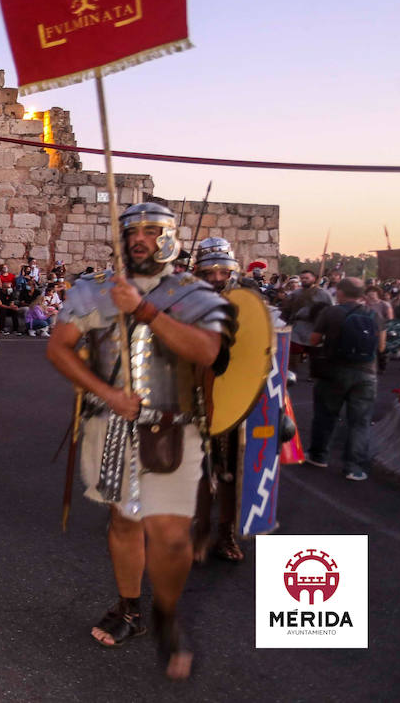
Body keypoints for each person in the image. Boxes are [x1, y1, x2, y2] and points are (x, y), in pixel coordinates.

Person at [46, 203, 231, 681]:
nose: (139, 239)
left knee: (170, 536)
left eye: (150, 230)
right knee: (125, 521)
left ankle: (167, 616)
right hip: (110, 425)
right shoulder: (94, 289)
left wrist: (144, 310)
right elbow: (58, 348)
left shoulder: (193, 292)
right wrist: (107, 393)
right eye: (131, 231)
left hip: (174, 428)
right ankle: (130, 608)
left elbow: (208, 352)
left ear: (169, 237)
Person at [189, 236, 248, 564]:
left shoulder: (248, 302)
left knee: (230, 473)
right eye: (208, 272)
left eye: (222, 272)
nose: (216, 278)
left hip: (233, 400)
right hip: (195, 396)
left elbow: (260, 348)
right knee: (197, 470)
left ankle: (226, 534)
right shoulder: (185, 303)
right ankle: (199, 531)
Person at [306, 277, 383, 481]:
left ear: (340, 292)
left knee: (325, 416)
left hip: (334, 371)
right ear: (362, 294)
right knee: (360, 422)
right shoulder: (374, 314)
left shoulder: (331, 312)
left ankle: (318, 456)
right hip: (367, 374)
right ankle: (353, 467)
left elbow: (313, 340)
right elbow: (382, 346)